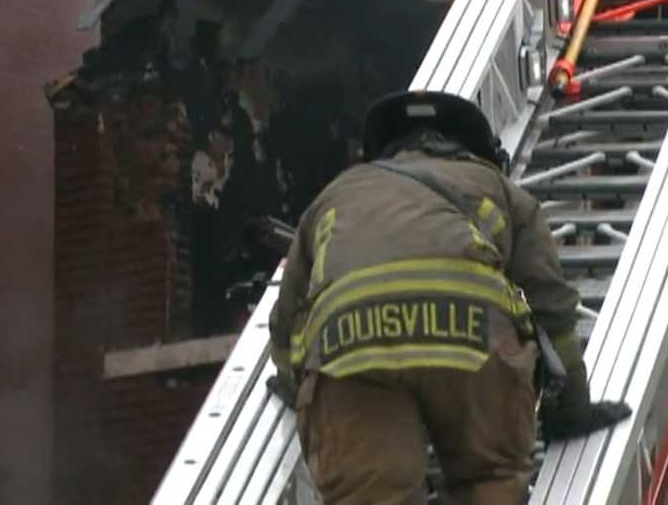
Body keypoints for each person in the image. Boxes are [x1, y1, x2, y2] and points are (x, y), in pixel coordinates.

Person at [268, 89, 631, 505]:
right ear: (472, 151)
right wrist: (571, 411)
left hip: (351, 348)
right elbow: (553, 310)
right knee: (489, 476)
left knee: (372, 492)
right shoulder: (499, 189)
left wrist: (296, 385)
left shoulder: (335, 195)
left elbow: (286, 320)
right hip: (473, 342)